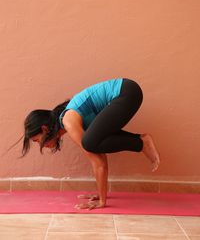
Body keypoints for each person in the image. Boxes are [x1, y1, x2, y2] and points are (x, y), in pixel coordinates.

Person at [22, 78, 160, 210]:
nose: (40, 144)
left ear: (44, 129)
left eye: (36, 140)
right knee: (91, 142)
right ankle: (140, 142)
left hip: (126, 93)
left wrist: (102, 202)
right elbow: (99, 156)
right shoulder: (72, 120)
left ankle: (141, 142)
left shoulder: (68, 121)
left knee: (88, 143)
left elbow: (97, 162)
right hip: (128, 91)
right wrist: (101, 194)